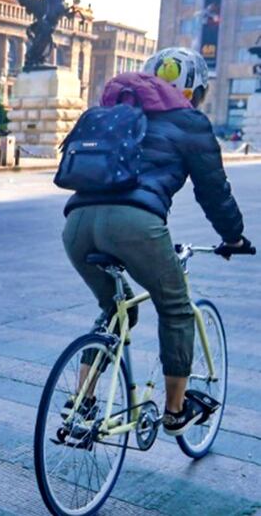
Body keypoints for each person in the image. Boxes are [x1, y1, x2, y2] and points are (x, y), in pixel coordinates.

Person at [61, 47, 249, 437]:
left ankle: (81, 403)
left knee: (115, 308)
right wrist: (233, 237)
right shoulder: (190, 121)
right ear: (194, 90)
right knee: (176, 307)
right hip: (136, 225)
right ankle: (176, 412)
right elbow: (213, 191)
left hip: (76, 224)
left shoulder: (117, 112)